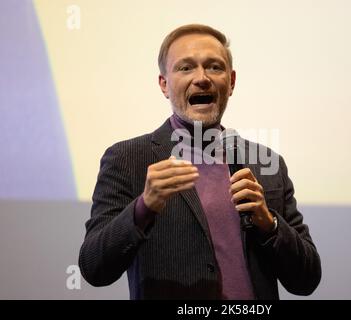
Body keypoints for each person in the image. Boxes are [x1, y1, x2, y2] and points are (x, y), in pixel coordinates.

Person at [79, 24, 321, 300]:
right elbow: (94, 268)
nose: (202, 78)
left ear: (231, 82)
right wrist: (143, 207)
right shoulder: (127, 159)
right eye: (185, 68)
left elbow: (307, 279)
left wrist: (269, 224)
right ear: (164, 84)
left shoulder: (267, 164)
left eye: (214, 67)